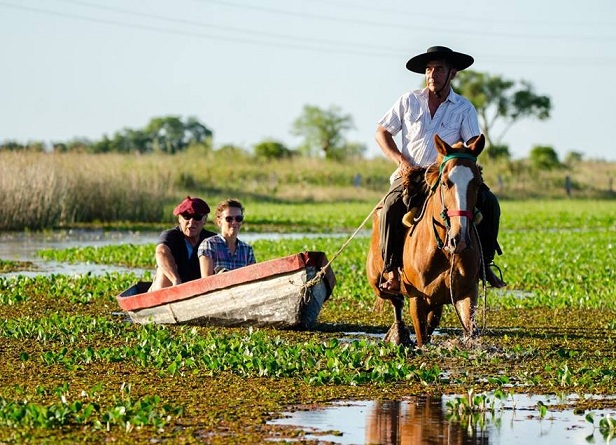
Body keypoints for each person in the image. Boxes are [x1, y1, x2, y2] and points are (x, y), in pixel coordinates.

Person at [376, 46, 506, 293]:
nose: (432, 74)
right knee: (391, 207)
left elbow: (471, 143)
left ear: (452, 74)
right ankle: (391, 270)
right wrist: (401, 161)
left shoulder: (464, 107)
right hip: (411, 175)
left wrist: (464, 153)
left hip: (447, 175)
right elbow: (382, 132)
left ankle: (484, 264)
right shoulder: (409, 101)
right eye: (428, 69)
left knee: (490, 203)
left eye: (439, 69)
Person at [149, 196, 217, 291]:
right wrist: (176, 280)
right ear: (179, 219)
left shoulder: (212, 239)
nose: (191, 222)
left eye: (197, 217)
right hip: (171, 288)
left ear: (205, 220)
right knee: (162, 271)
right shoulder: (171, 235)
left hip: (197, 290)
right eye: (186, 217)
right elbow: (161, 251)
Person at [198, 198, 256, 276]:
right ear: (219, 222)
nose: (234, 222)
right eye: (229, 219)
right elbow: (206, 281)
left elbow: (252, 278)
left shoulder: (247, 249)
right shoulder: (209, 245)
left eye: (238, 218)